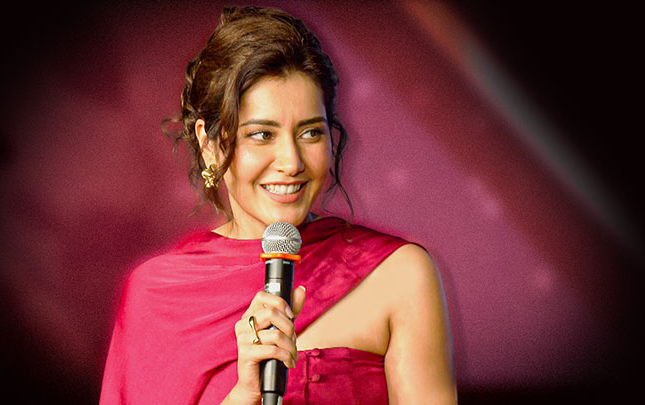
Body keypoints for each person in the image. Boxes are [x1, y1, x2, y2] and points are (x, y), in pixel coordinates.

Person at [100, 6, 456, 404]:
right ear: (209, 143)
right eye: (262, 135)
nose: (291, 162)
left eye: (310, 132)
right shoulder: (155, 296)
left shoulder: (398, 274)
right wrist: (245, 394)